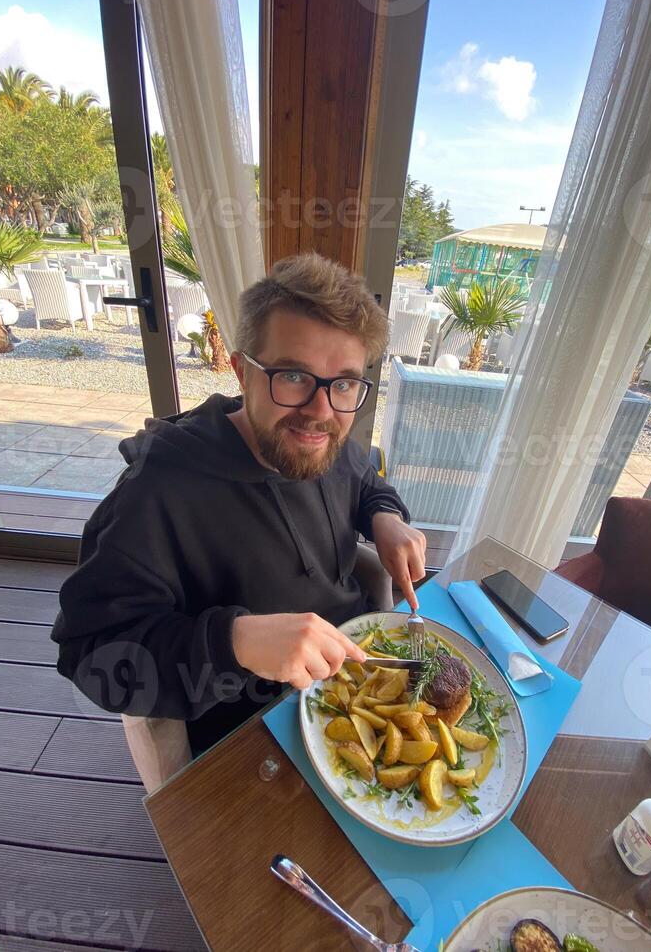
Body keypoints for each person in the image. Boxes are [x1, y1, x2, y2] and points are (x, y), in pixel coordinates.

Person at [52, 253, 426, 753]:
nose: (320, 412)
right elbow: (93, 658)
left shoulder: (323, 441)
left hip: (357, 676)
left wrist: (386, 517)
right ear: (241, 372)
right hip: (255, 729)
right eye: (292, 376)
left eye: (343, 384)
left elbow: (363, 480)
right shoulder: (156, 491)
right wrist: (234, 644)